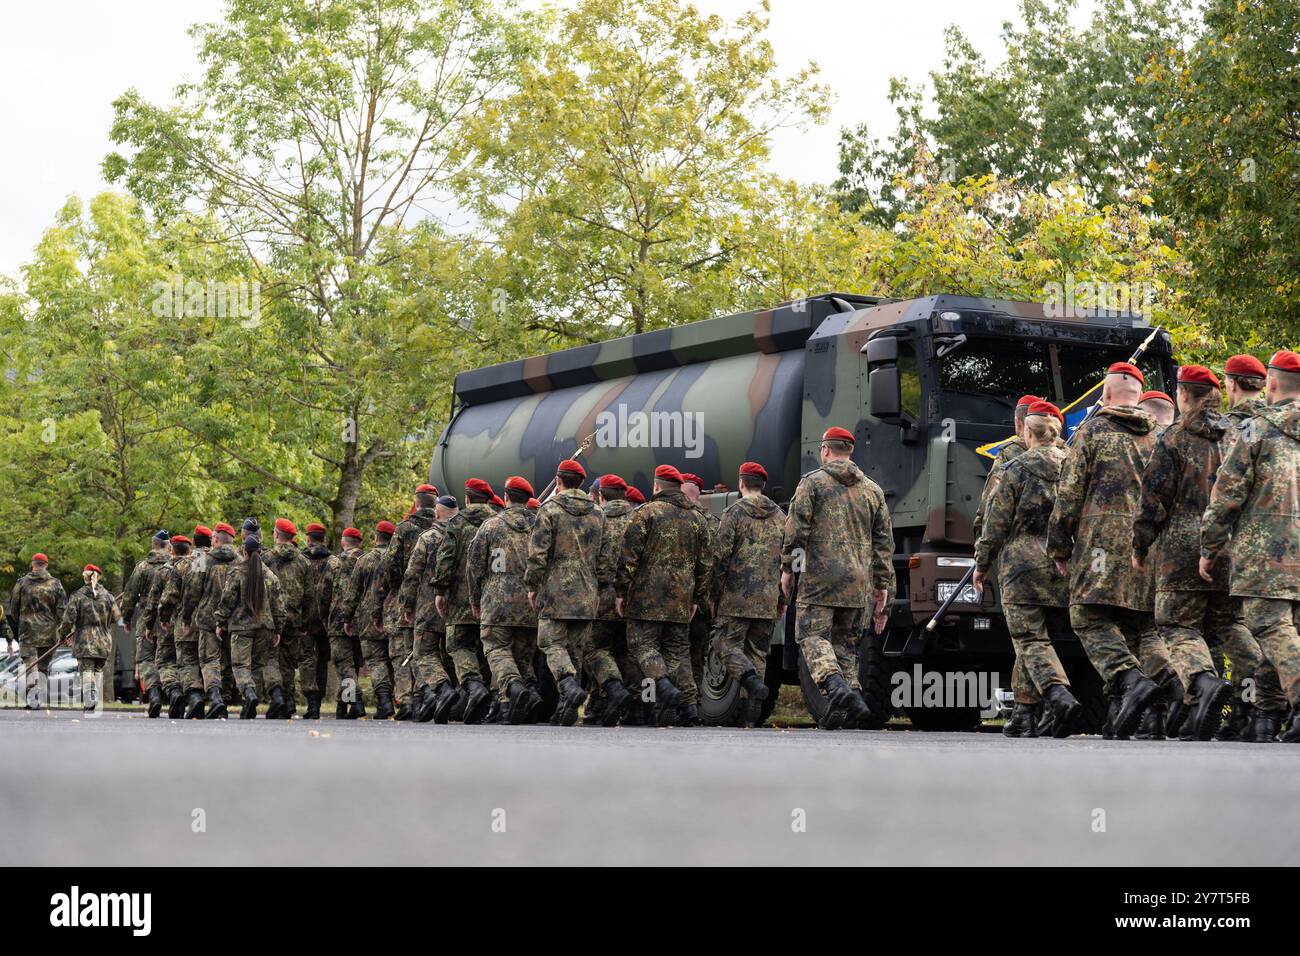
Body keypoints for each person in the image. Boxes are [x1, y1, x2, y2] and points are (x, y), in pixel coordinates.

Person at [1046, 362, 1176, 739]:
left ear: (1105, 394)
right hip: (1147, 545)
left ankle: (1128, 677)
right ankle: (1166, 696)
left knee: (1087, 617)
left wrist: (1059, 545)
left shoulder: (1094, 430)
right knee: (1142, 627)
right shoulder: (1161, 437)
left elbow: (1069, 494)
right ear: (1139, 395)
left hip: (1100, 540)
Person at [1200, 350, 1300, 743]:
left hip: (1265, 552)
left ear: (1271, 383)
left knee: (1269, 626)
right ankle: (1268, 717)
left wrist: (1209, 547)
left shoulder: (1257, 431)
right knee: (1287, 631)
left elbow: (1227, 493)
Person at [1132, 365, 1235, 740]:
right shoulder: (1236, 435)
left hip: (1180, 548)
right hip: (1228, 546)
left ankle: (1203, 683)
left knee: (1177, 626)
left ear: (1183, 394)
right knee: (1218, 632)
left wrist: (1140, 545)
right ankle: (1201, 715)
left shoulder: (1174, 438)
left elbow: (1153, 498)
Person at [973, 402, 1081, 737]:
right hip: (1063, 564)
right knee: (1038, 637)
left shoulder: (1016, 467)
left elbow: (994, 520)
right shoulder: (1075, 466)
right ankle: (1024, 712)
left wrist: (981, 562)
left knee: (1028, 638)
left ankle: (1058, 693)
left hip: (1021, 566)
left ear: (1025, 431)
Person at [780, 427, 893, 730]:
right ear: (850, 451)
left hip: (820, 579)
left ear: (826, 450)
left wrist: (788, 569)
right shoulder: (873, 491)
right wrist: (883, 587)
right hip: (859, 581)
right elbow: (884, 545)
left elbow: (795, 532)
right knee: (846, 645)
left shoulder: (812, 484)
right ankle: (849, 699)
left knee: (811, 636)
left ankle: (834, 684)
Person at [616, 464, 713, 726]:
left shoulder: (646, 513)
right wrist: (697, 599)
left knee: (642, 646)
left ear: (657, 486)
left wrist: (620, 592)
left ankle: (664, 686)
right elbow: (706, 565)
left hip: (646, 598)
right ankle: (690, 707)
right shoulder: (697, 519)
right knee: (678, 652)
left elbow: (628, 558)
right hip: (682, 599)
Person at [1213, 353, 1273, 738]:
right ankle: (1254, 709)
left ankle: (1238, 709)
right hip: (1275, 546)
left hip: (1233, 543)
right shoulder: (1278, 425)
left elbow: (1219, 489)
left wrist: (1210, 543)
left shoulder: (1228, 428)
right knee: (1254, 627)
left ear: (1230, 384)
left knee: (1225, 626)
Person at [525, 460, 610, 726]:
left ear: (558, 482)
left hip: (555, 591)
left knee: (551, 643)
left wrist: (532, 584)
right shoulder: (598, 513)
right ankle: (566, 710)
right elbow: (605, 558)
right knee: (575, 650)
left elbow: (538, 553)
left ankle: (567, 685)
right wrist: (601, 587)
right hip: (586, 592)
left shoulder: (549, 510)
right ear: (581, 483)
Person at [710, 462, 785, 727]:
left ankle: (751, 683)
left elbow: (720, 557)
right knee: (757, 654)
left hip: (735, 597)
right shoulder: (780, 517)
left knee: (724, 645)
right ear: (762, 485)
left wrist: (713, 594)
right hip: (767, 599)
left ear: (741, 484)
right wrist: (781, 599)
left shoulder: (733, 514)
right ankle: (750, 716)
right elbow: (785, 563)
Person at [468, 476, 545, 724]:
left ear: (506, 497)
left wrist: (474, 599)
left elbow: (475, 567)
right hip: (530, 603)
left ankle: (513, 686)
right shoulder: (540, 525)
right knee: (522, 656)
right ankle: (522, 700)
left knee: (496, 649)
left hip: (497, 602)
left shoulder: (491, 526)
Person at [433, 481, 497, 723]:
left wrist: (440, 590)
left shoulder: (456, 524)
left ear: (467, 500)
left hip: (460, 600)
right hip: (491, 598)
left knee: (458, 646)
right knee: (483, 648)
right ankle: (478, 702)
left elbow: (445, 559)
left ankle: (473, 685)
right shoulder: (497, 522)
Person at [375, 485, 439, 720]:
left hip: (407, 597)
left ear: (416, 502)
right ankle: (428, 695)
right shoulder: (443, 526)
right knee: (427, 650)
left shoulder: (404, 529)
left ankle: (408, 701)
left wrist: (397, 588)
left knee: (402, 651)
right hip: (436, 598)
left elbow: (389, 564)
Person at [590, 474, 646, 725]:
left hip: (602, 595)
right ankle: (636, 706)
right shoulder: (641, 518)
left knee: (596, 649)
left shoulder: (594, 519)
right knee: (627, 651)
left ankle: (609, 694)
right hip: (634, 596)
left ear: (601, 495)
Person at [215, 535, 289, 720]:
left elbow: (227, 601)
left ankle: (249, 695)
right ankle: (250, 706)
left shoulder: (237, 572)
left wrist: (220, 622)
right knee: (256, 667)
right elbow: (279, 606)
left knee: (240, 666)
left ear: (244, 551)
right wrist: (278, 629)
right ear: (261, 552)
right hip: (265, 627)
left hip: (241, 627)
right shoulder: (270, 576)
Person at [400, 495, 459, 723]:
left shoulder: (429, 537)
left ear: (438, 511)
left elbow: (412, 573)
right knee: (450, 654)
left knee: (424, 653)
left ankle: (442, 690)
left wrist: (407, 604)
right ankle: (441, 702)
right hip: (457, 607)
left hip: (428, 606)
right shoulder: (466, 534)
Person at [340, 522, 397, 718]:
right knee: (393, 660)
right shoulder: (398, 559)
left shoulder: (364, 560)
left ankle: (384, 701)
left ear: (376, 537)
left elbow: (353, 593)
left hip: (368, 618)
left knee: (376, 661)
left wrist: (347, 618)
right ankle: (391, 703)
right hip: (395, 616)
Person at [186, 522, 241, 719]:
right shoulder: (241, 560)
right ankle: (224, 703)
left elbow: (192, 591)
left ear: (215, 539)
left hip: (208, 619)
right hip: (233, 619)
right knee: (228, 662)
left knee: (209, 660)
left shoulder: (202, 560)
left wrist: (186, 617)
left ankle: (215, 697)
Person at [260, 518, 312, 718]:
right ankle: (289, 702)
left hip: (270, 617)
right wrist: (306, 621)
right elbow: (309, 596)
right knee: (289, 663)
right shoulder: (303, 561)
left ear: (276, 534)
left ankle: (278, 696)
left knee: (270, 658)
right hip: (294, 618)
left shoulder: (266, 559)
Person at [155, 533, 209, 718]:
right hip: (211, 622)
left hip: (185, 621)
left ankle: (193, 697)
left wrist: (164, 617)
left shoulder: (183, 565)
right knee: (207, 662)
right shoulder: (209, 561)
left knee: (187, 662)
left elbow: (169, 596)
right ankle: (213, 700)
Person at [680, 472, 720, 724]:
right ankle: (693, 707)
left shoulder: (680, 520)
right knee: (698, 656)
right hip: (704, 604)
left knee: (675, 653)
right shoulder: (713, 522)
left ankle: (677, 704)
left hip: (679, 600)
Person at [59, 565, 126, 714]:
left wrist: (63, 635)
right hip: (103, 640)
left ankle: (90, 697)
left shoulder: (77, 596)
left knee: (87, 670)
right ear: (98, 577)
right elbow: (117, 618)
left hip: (85, 639)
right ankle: (93, 697)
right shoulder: (109, 596)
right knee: (97, 670)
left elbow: (68, 620)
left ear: (85, 577)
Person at [119, 530, 170, 716]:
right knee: (168, 660)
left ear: (153, 544)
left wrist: (126, 618)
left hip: (146, 620)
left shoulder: (142, 567)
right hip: (169, 621)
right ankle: (174, 696)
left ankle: (154, 694)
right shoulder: (175, 565)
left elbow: (130, 595)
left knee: (146, 660)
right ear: (168, 545)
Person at [7, 553, 68, 708]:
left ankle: (32, 691)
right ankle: (37, 696)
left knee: (31, 664)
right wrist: (62, 629)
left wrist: (20, 621)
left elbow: (13, 608)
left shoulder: (21, 583)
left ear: (33, 564)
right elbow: (63, 610)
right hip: (48, 633)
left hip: (27, 632)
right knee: (42, 667)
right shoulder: (55, 584)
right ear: (46, 565)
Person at [323, 527, 366, 719]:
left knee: (344, 665)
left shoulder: (334, 563)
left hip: (339, 620)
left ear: (343, 542)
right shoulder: (368, 560)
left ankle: (355, 702)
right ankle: (343, 707)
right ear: (359, 543)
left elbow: (323, 594)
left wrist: (325, 617)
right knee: (352, 665)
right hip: (363, 621)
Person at [298, 523, 334, 719]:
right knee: (322, 660)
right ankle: (318, 700)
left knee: (306, 658)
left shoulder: (300, 560)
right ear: (324, 539)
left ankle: (311, 700)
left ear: (308, 538)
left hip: (304, 618)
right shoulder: (334, 562)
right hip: (326, 620)